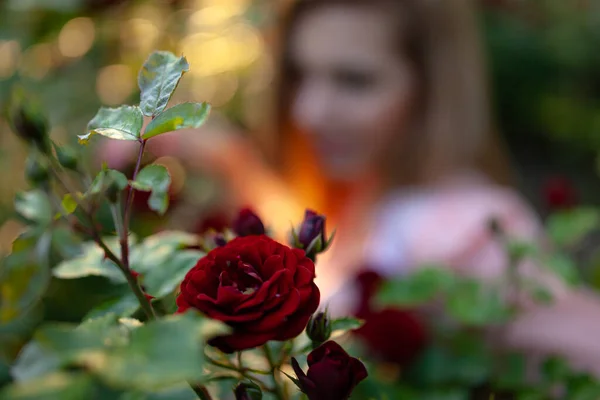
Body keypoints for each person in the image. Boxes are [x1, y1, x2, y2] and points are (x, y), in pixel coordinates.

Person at [101, 0, 600, 374]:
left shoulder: (472, 228)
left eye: (355, 81)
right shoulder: (376, 196)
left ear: (429, 87)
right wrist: (228, 162)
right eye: (301, 75)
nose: (309, 112)